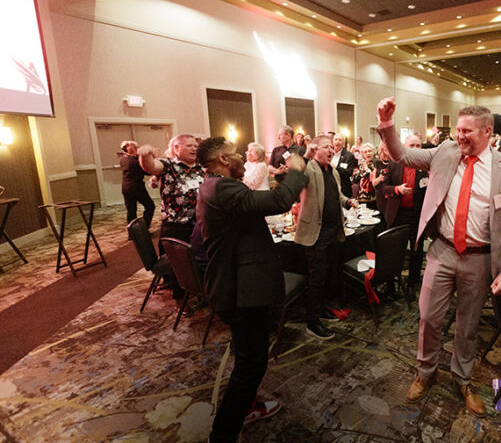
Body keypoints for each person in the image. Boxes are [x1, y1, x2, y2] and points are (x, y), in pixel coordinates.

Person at [377, 97, 501, 417]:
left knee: (468, 325)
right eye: (458, 130)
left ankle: (462, 379)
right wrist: (387, 122)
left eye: (468, 132)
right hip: (442, 251)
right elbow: (401, 154)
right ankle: (425, 372)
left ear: (488, 132)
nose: (460, 137)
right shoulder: (445, 152)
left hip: (480, 259)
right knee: (429, 318)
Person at [195, 137, 307, 443]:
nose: (243, 158)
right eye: (235, 154)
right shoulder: (223, 188)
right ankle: (223, 434)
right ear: (221, 160)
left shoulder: (212, 186)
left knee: (248, 357)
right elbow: (278, 202)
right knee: (251, 364)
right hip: (239, 291)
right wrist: (297, 169)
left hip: (234, 286)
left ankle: (246, 405)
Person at [294, 135, 359, 340]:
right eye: (326, 147)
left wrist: (348, 202)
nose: (331, 150)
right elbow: (295, 171)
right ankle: (312, 323)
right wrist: (306, 154)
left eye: (332, 147)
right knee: (316, 278)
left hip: (332, 231)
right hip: (316, 233)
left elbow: (336, 195)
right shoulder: (310, 168)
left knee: (326, 275)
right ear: (315, 150)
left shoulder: (332, 171)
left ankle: (321, 310)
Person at [138, 134, 205, 300]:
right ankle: (180, 298)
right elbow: (150, 167)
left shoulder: (201, 167)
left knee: (200, 259)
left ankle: (200, 291)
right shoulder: (168, 165)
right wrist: (145, 155)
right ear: (176, 148)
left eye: (195, 146)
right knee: (180, 265)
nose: (194, 148)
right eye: (189, 145)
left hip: (200, 223)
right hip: (177, 225)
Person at [379, 135, 429, 295]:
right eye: (411, 145)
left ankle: (412, 283)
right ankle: (390, 284)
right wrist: (396, 189)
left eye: (418, 145)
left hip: (417, 215)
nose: (415, 148)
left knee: (416, 250)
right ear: (405, 147)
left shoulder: (427, 166)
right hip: (398, 214)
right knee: (393, 250)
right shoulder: (394, 163)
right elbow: (383, 187)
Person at [119, 140, 154, 229]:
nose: (138, 149)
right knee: (150, 206)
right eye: (136, 148)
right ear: (133, 149)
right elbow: (148, 171)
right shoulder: (134, 162)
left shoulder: (123, 158)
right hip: (136, 187)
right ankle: (144, 231)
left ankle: (132, 235)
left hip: (126, 187)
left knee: (131, 211)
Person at [330, 133, 358, 198]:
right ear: (333, 141)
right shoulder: (329, 153)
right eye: (335, 139)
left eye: (340, 140)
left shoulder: (349, 156)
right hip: (330, 187)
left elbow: (349, 173)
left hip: (343, 188)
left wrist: (336, 167)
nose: (337, 142)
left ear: (343, 143)